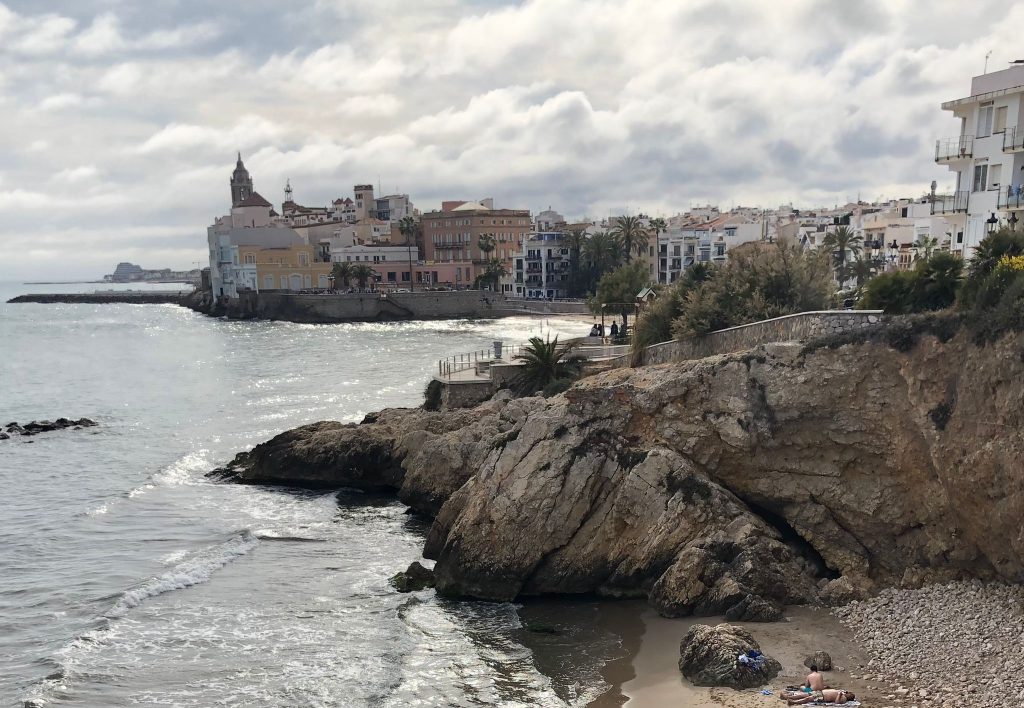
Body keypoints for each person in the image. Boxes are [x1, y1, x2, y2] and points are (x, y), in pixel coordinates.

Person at [782, 688, 855, 705]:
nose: (848, 693)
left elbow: (837, 702)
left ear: (849, 697)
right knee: (803, 694)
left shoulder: (844, 698)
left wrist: (839, 694)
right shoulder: (843, 693)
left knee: (807, 698)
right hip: (820, 692)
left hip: (823, 697)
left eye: (849, 694)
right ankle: (788, 697)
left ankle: (793, 702)